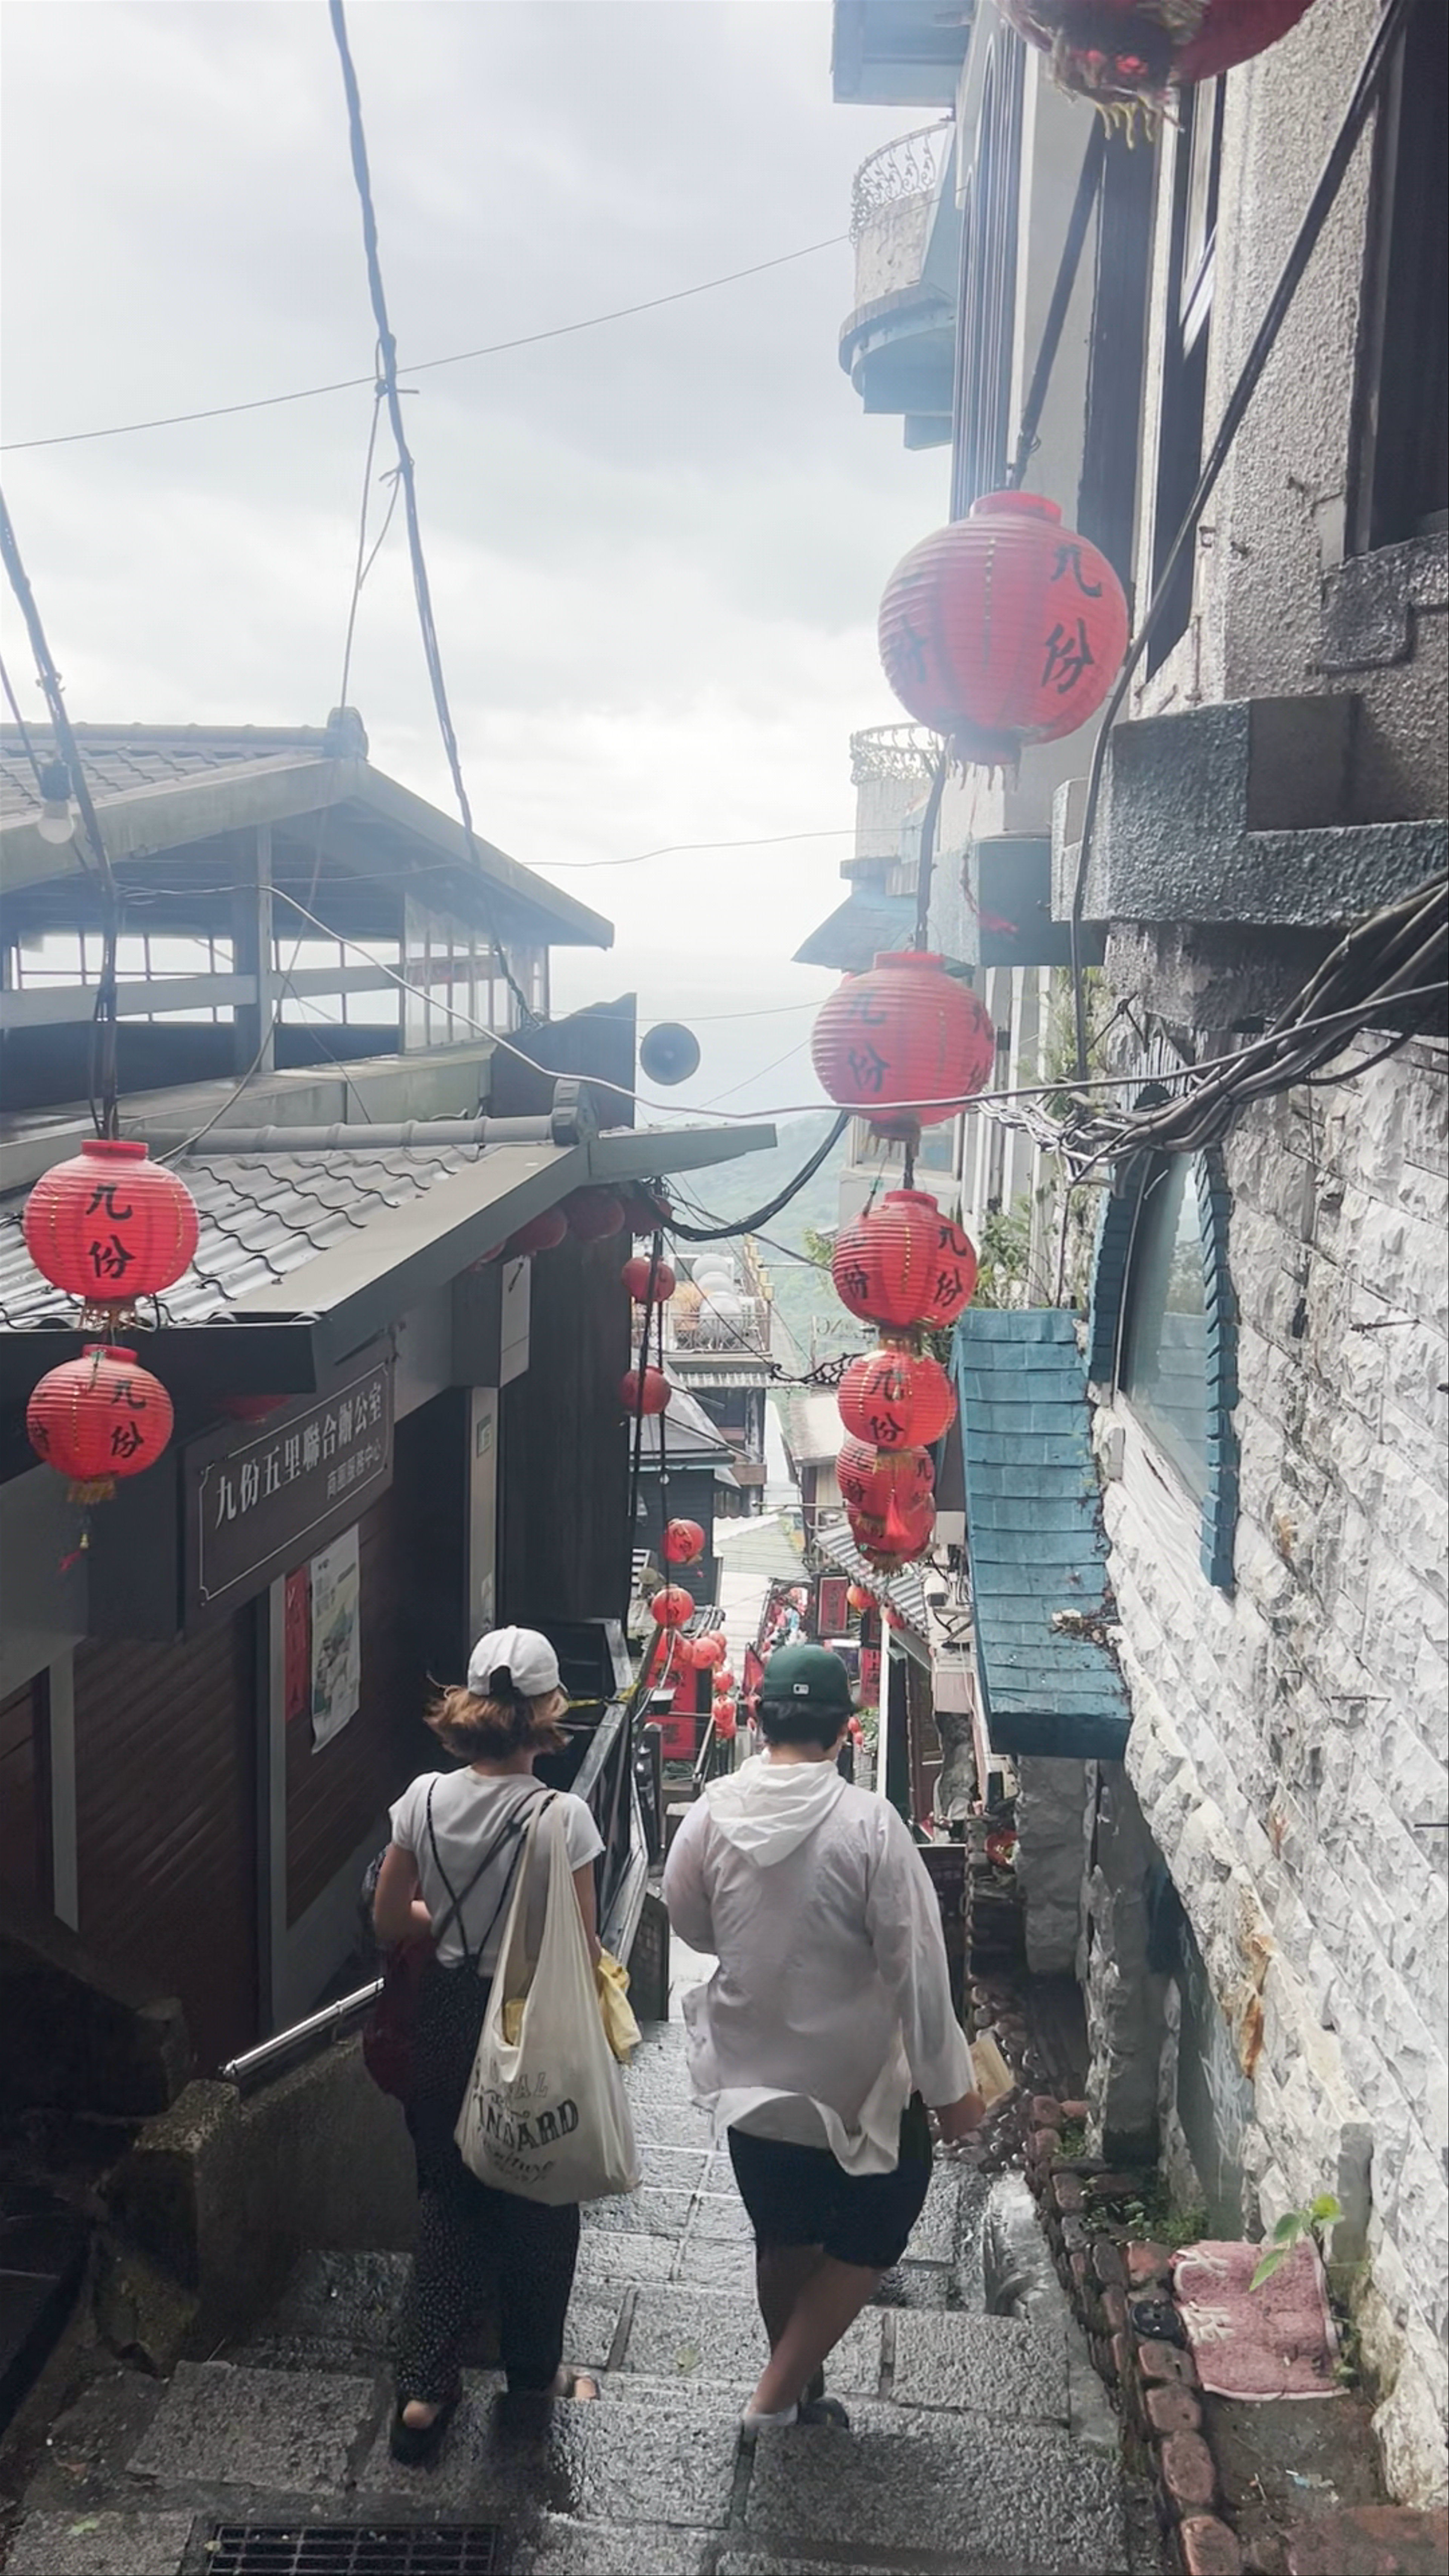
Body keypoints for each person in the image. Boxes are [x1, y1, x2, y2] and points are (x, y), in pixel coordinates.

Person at [662, 1643, 984, 2436]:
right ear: (844, 1730)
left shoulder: (709, 1814)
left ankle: (797, 2389)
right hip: (856, 2084)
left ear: (758, 1717)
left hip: (748, 2076)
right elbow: (916, 1967)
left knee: (784, 2236)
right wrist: (952, 2091)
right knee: (880, 2222)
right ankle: (774, 2400)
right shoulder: (869, 1825)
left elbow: (690, 1920)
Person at [372, 1624, 603, 2462]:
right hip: (526, 2021)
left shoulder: (424, 1799)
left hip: (442, 2017)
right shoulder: (563, 1817)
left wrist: (446, 1920)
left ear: (470, 1703)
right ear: (547, 1711)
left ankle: (423, 2391)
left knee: (449, 2196)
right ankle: (533, 2375)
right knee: (541, 2203)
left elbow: (391, 1918)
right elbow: (581, 1946)